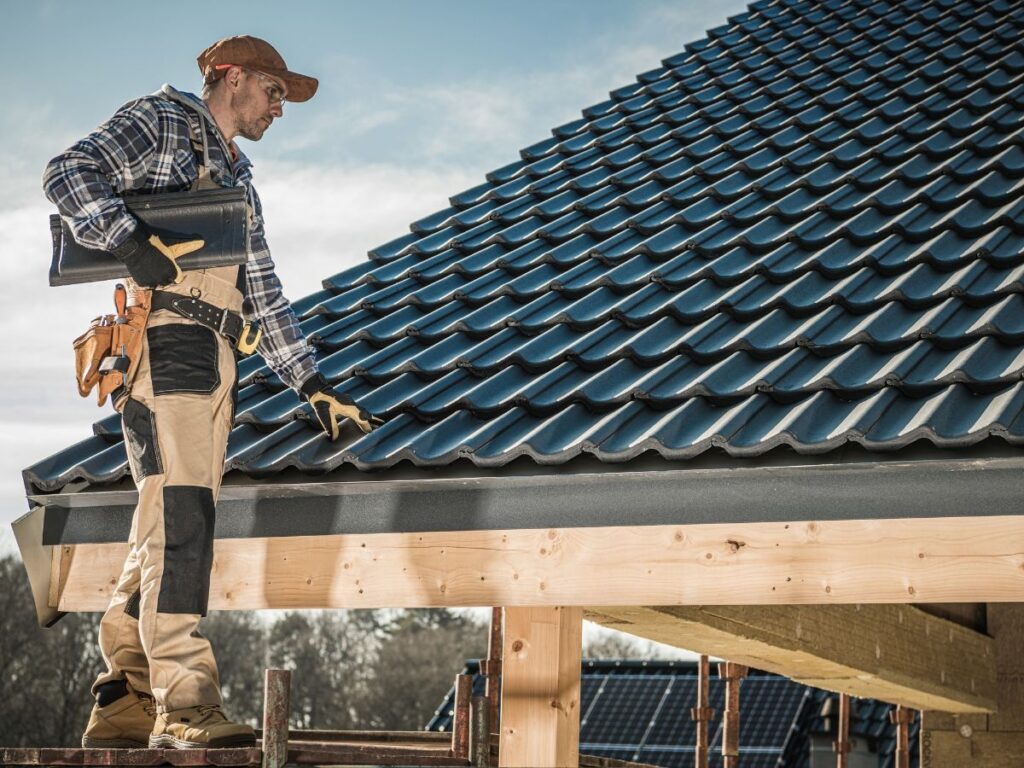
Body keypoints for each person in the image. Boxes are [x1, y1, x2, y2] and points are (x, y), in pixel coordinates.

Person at [42, 35, 381, 750]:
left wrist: (312, 384)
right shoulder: (163, 122)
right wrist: (130, 242)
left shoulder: (239, 181)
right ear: (230, 78)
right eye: (274, 92)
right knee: (186, 519)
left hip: (214, 354)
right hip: (170, 346)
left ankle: (125, 696)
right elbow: (68, 173)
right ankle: (185, 703)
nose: (280, 108)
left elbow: (263, 290)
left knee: (161, 523)